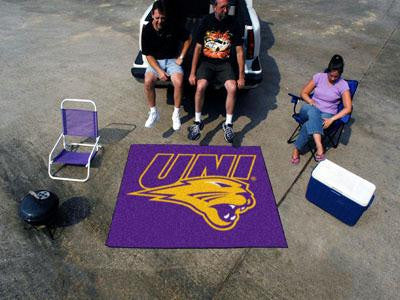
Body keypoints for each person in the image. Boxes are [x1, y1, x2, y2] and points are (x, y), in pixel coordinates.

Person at [188, 0, 245, 143]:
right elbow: (198, 49)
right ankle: (197, 122)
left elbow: (239, 52)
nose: (225, 10)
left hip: (225, 64)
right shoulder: (205, 21)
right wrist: (192, 72)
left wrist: (241, 76)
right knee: (200, 87)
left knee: (232, 88)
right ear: (215, 7)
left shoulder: (234, 23)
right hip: (207, 62)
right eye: (222, 7)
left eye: (228, 7)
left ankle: (228, 124)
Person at [291, 54, 352, 164]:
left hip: (327, 115)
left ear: (340, 74)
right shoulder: (319, 77)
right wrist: (310, 101)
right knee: (313, 111)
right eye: (331, 75)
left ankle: (296, 149)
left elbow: (348, 108)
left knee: (308, 125)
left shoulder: (343, 85)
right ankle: (319, 146)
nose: (333, 78)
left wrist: (332, 119)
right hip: (309, 109)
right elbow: (303, 93)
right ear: (328, 70)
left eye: (336, 77)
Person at [141, 1, 192, 130]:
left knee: (179, 82)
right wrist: (159, 71)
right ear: (152, 15)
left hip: (171, 60)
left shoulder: (172, 25)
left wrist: (181, 57)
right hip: (155, 61)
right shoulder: (147, 30)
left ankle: (175, 114)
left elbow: (188, 39)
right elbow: (148, 55)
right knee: (148, 81)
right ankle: (153, 112)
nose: (160, 21)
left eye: (162, 18)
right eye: (157, 18)